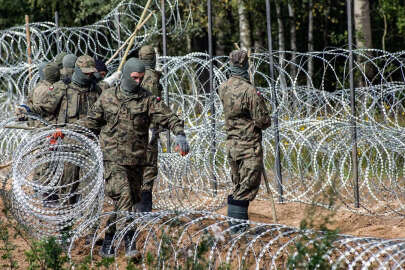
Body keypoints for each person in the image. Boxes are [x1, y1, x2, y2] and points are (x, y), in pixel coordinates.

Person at [78, 58, 190, 258]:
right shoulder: (107, 97)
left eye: (141, 78)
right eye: (135, 78)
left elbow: (169, 117)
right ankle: (130, 242)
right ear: (127, 75)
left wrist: (179, 134)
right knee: (124, 197)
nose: (138, 81)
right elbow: (91, 123)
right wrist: (68, 132)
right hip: (113, 160)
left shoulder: (147, 99)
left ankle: (108, 243)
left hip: (137, 161)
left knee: (126, 204)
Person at [218, 50, 271, 233]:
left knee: (239, 186)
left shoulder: (223, 87)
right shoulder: (249, 91)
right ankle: (237, 231)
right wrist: (259, 99)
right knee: (246, 189)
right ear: (246, 66)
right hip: (249, 147)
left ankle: (237, 228)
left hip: (232, 146)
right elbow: (263, 121)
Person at [136, 45, 163, 212]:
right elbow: (152, 106)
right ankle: (144, 209)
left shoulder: (135, 75)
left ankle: (137, 206)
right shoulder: (151, 78)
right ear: (153, 58)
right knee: (149, 167)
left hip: (136, 127)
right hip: (148, 129)